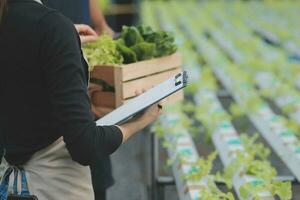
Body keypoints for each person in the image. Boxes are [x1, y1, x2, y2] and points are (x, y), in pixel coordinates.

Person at [0, 0, 162, 199]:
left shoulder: (12, 18)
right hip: (54, 188)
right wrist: (140, 120)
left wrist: (62, 40)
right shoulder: (52, 27)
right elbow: (85, 145)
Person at [43, 1, 117, 199]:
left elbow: (100, 25)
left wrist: (102, 26)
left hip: (86, 112)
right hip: (49, 131)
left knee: (93, 182)